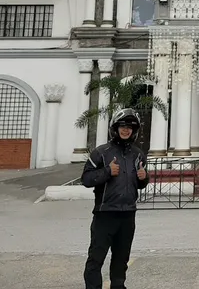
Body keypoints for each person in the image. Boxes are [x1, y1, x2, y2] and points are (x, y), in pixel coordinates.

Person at [81, 108, 150, 289]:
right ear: (115, 128)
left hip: (128, 214)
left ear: (134, 131)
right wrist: (107, 172)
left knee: (121, 259)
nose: (126, 130)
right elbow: (86, 179)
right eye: (122, 126)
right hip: (105, 214)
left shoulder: (138, 154)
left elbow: (139, 184)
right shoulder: (101, 152)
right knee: (96, 258)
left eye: (130, 127)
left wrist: (144, 178)